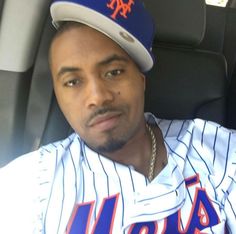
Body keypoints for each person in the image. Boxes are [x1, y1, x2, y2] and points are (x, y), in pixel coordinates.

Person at [0, 0, 236, 233]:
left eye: (114, 72)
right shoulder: (29, 184)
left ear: (141, 80)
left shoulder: (215, 150)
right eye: (72, 82)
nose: (97, 97)